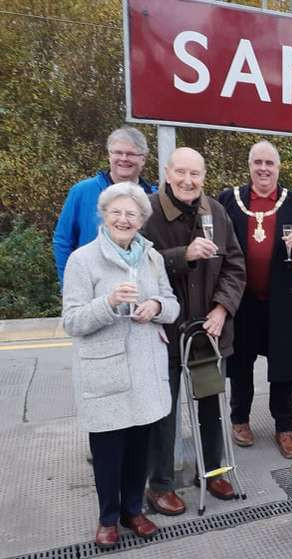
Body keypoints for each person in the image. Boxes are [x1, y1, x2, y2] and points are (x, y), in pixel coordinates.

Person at [62, 182, 179, 548]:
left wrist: (156, 308)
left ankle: (133, 509)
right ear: (104, 215)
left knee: (139, 449)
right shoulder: (83, 260)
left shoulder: (152, 257)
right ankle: (108, 518)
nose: (124, 219)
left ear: (142, 220)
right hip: (106, 370)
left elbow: (171, 303)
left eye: (132, 214)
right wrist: (109, 302)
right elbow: (73, 321)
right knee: (109, 451)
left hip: (145, 367)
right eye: (117, 212)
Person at [142, 147, 246, 515]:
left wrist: (222, 309)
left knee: (211, 404)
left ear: (204, 176)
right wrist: (181, 256)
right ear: (167, 173)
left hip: (208, 332)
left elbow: (235, 265)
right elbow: (139, 267)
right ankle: (160, 485)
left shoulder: (216, 211)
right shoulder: (147, 210)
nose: (188, 181)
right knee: (163, 412)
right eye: (181, 173)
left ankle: (213, 470)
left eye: (195, 174)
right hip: (163, 335)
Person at [219, 140, 292, 459]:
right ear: (250, 166)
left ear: (279, 169)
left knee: (284, 367)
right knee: (240, 365)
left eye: (270, 163)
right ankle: (240, 421)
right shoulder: (230, 199)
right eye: (258, 162)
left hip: (285, 301)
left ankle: (285, 428)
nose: (263, 168)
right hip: (242, 300)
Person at [53, 127, 155, 286]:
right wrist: (70, 285)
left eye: (131, 154)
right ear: (109, 155)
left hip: (140, 292)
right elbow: (63, 241)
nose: (124, 158)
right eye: (118, 152)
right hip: (91, 288)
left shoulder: (153, 197)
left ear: (143, 159)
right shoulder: (82, 191)